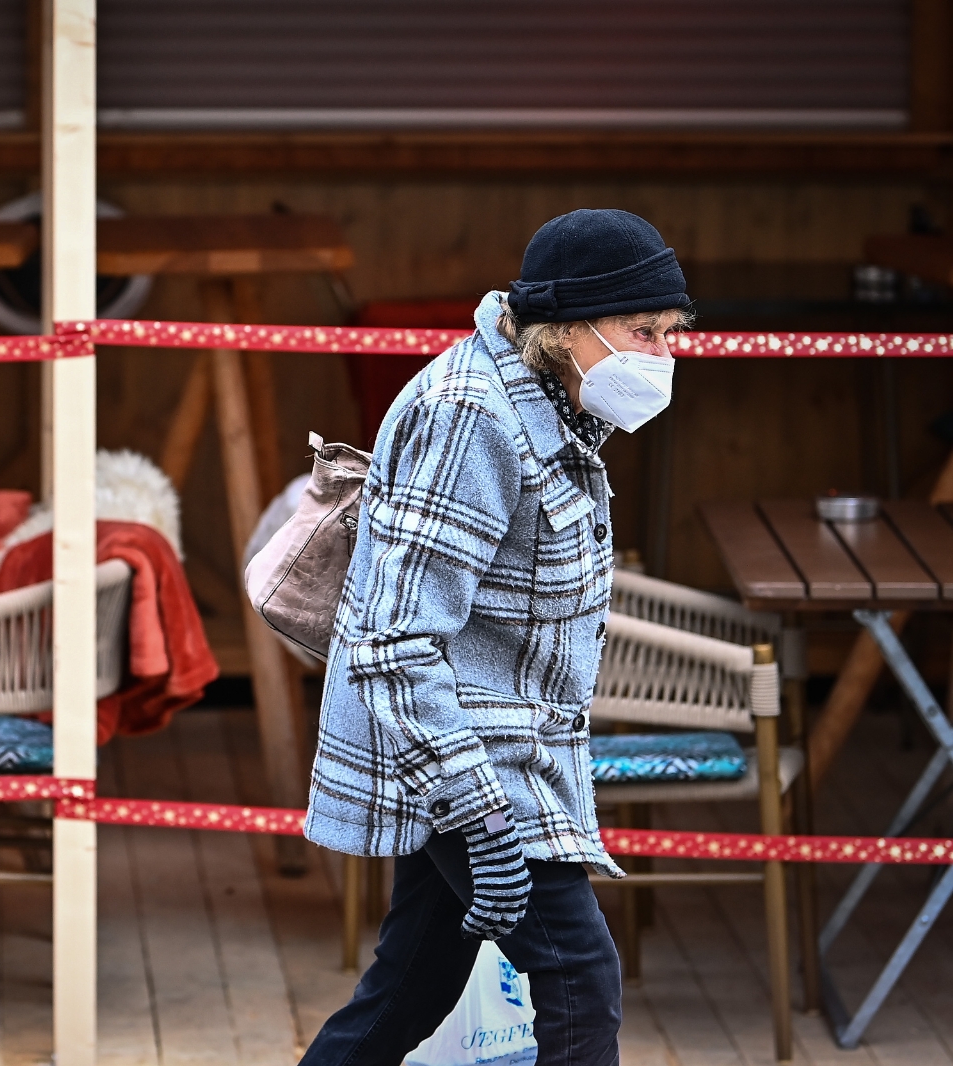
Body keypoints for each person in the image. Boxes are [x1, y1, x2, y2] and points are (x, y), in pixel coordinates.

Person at [299, 209, 691, 1066]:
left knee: (407, 991)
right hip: (468, 756)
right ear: (565, 330)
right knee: (580, 983)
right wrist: (478, 814)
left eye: (672, 333)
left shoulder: (551, 395)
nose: (664, 356)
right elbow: (393, 639)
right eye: (644, 331)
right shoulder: (471, 417)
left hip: (506, 745)